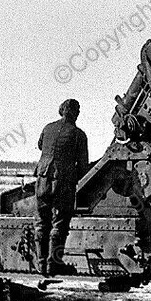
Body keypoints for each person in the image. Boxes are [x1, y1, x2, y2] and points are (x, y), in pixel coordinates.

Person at [35, 99, 88, 275]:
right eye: (78, 110)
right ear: (75, 113)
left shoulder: (48, 127)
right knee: (59, 223)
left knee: (42, 222)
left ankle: (41, 263)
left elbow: (41, 145)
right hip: (63, 183)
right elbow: (82, 166)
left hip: (42, 179)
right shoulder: (78, 135)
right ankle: (53, 264)